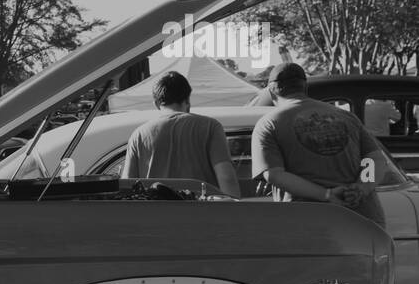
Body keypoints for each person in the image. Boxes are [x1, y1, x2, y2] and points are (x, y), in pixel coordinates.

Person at [251, 63, 403, 228]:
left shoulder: (268, 124)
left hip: (309, 224)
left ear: (272, 91)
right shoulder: (346, 116)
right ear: (305, 87)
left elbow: (274, 175)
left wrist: (327, 194)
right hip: (364, 220)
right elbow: (375, 159)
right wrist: (361, 188)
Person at [125, 71, 241, 196]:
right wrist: (234, 210)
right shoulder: (210, 127)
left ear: (157, 104)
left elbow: (128, 185)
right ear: (187, 100)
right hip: (203, 213)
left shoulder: (139, 135)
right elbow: (226, 177)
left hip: (156, 213)